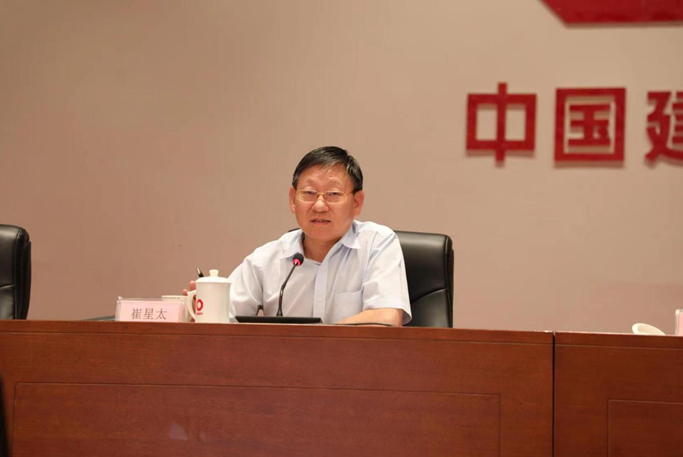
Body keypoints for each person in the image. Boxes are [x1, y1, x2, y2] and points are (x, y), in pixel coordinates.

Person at [187, 146, 411, 326]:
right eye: (309, 193)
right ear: (293, 199)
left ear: (357, 202)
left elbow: (386, 319)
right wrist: (202, 310)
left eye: (333, 194)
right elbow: (221, 320)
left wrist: (313, 339)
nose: (319, 205)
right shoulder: (267, 259)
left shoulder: (377, 244)